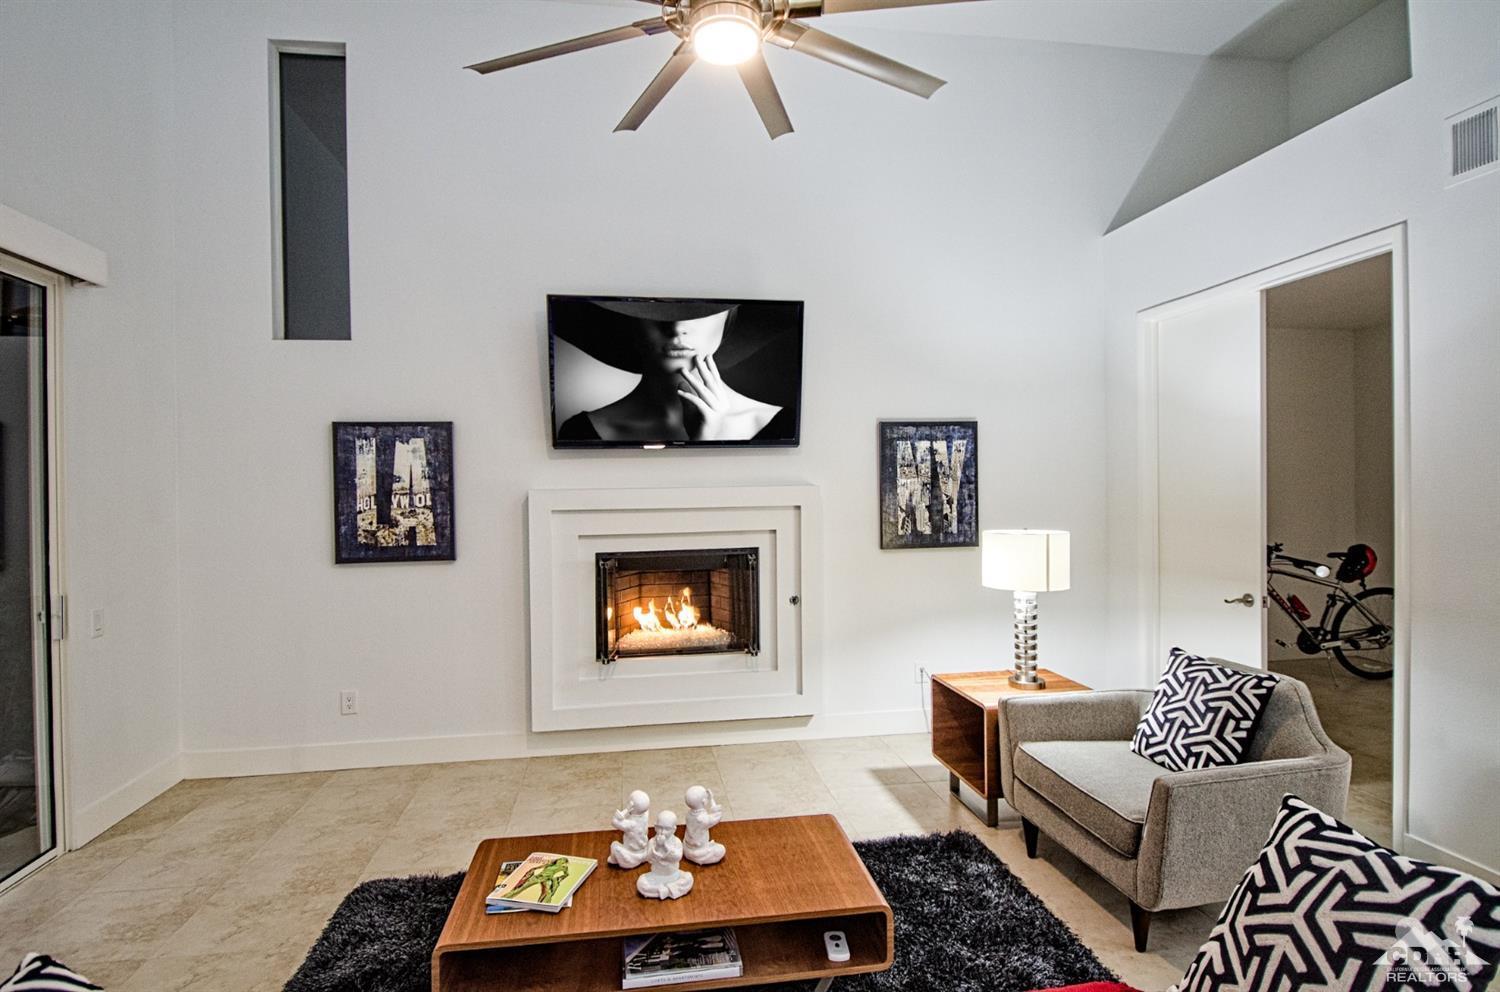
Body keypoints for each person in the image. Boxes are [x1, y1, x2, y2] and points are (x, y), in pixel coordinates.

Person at [555, 299, 793, 443]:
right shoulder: (583, 432)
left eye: (701, 311)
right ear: (630, 320)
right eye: (654, 311)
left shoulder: (781, 425)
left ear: (729, 317)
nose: (677, 327)